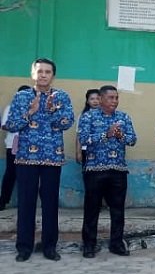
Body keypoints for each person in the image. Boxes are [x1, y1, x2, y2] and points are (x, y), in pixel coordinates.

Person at [6, 58, 74, 262]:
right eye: (40, 71)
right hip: (27, 157)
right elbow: (11, 125)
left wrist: (52, 111)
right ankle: (24, 247)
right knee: (26, 202)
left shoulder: (61, 96)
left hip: (52, 157)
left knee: (50, 203)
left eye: (48, 72)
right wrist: (31, 112)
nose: (43, 75)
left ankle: (49, 246)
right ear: (33, 74)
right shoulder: (21, 97)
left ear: (53, 75)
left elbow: (67, 122)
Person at [78, 85, 137, 258]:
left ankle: (116, 243)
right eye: (111, 98)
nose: (115, 101)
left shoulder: (123, 117)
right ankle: (89, 244)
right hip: (95, 170)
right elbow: (84, 139)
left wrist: (120, 136)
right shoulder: (88, 116)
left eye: (116, 98)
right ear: (101, 99)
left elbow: (133, 139)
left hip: (118, 169)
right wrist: (106, 134)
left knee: (118, 210)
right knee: (92, 209)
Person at [0, 85, 30, 210]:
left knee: (29, 173)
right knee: (11, 172)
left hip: (30, 144)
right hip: (13, 143)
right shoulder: (10, 108)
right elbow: (4, 125)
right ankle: (3, 200)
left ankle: (27, 201)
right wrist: (18, 125)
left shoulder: (33, 109)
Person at [75, 89, 101, 166]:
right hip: (86, 150)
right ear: (87, 101)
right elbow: (78, 135)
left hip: (102, 150)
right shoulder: (83, 116)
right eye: (92, 99)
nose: (95, 101)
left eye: (98, 99)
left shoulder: (106, 115)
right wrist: (78, 152)